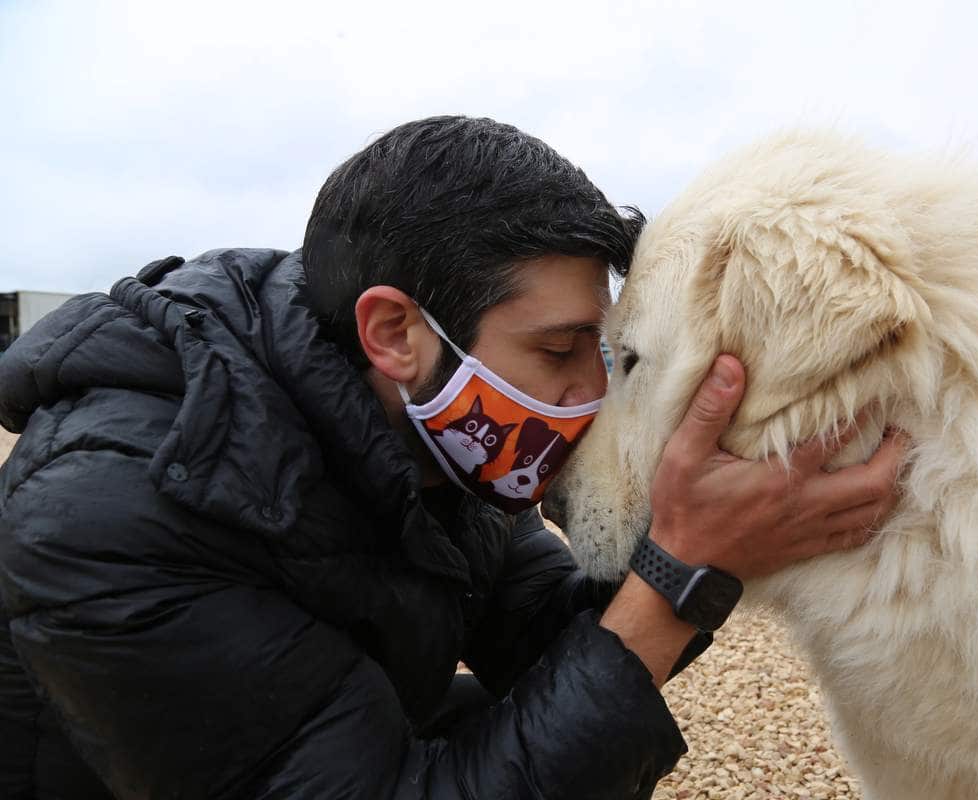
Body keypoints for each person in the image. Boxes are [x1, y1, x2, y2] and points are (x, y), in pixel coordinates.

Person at [0, 116, 905, 799]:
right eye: (558, 352)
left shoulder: (422, 432)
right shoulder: (111, 513)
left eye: (605, 349)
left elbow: (548, 633)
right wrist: (680, 573)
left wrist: (718, 525)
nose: (592, 397)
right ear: (395, 330)